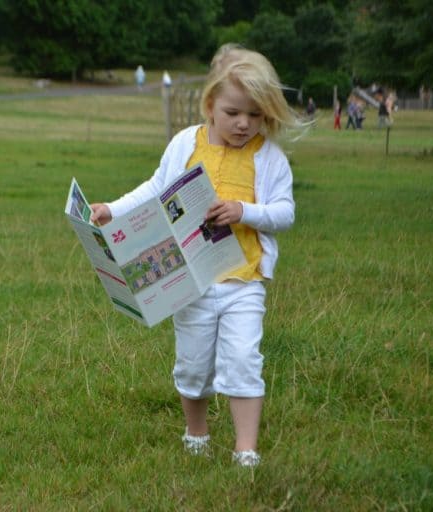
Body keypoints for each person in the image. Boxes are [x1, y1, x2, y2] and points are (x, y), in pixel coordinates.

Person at [90, 43, 304, 468]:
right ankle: (196, 434)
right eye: (232, 113)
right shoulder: (186, 143)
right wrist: (112, 209)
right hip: (192, 280)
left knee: (244, 359)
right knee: (192, 365)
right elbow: (155, 190)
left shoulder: (269, 157)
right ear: (210, 105)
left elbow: (285, 212)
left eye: (255, 114)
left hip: (244, 281)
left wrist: (246, 212)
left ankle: (246, 450)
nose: (244, 124)